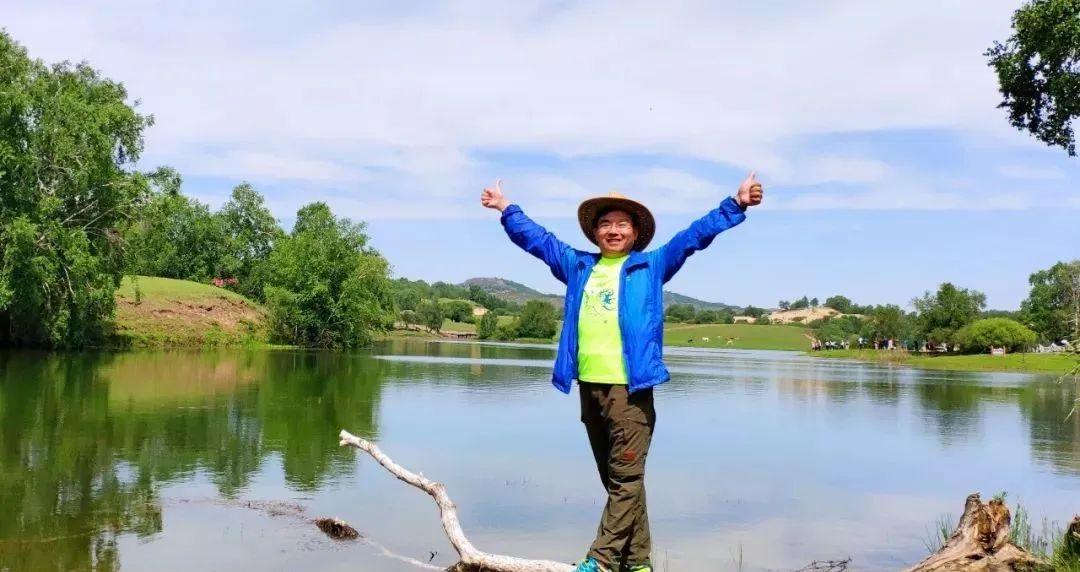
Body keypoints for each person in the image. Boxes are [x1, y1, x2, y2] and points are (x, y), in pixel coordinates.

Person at [480, 173, 764, 572]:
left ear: (635, 234)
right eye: (606, 224)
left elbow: (693, 237)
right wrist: (507, 209)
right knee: (619, 481)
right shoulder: (578, 266)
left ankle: (602, 560)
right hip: (589, 388)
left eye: (622, 224)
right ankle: (639, 563)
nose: (613, 230)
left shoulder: (651, 266)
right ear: (595, 231)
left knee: (625, 481)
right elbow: (540, 242)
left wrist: (734, 206)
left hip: (630, 392)